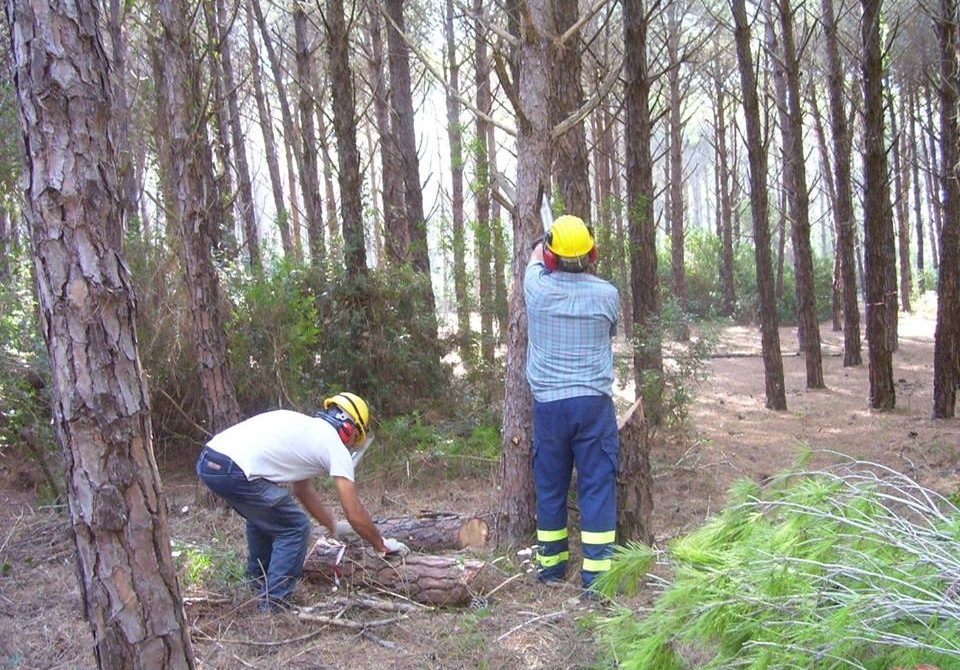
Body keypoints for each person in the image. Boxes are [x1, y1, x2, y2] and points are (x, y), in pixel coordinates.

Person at [196, 392, 409, 611]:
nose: (353, 443)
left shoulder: (306, 431)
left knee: (263, 516)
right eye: (355, 437)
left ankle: (256, 583)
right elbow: (354, 513)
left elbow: (303, 490)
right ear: (348, 429)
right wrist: (381, 545)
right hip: (235, 470)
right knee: (295, 527)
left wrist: (332, 526)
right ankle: (273, 604)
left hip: (210, 461)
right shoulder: (333, 446)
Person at [524, 214, 620, 591]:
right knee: (597, 485)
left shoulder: (536, 288)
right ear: (592, 254)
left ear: (551, 257)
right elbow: (610, 329)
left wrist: (541, 244)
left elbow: (534, 260)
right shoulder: (608, 294)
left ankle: (551, 567)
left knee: (550, 486)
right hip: (593, 406)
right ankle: (597, 577)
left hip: (548, 406)